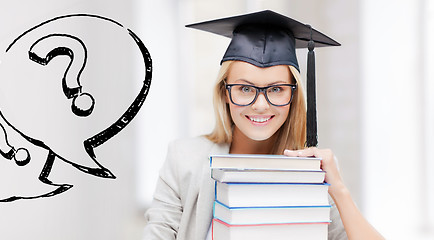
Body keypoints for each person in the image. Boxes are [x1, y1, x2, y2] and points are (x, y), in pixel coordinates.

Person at [143, 10, 384, 240]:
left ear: (294, 96)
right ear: (224, 92)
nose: (260, 105)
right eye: (245, 89)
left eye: (276, 89)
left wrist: (339, 190)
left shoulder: (312, 170)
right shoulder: (184, 159)